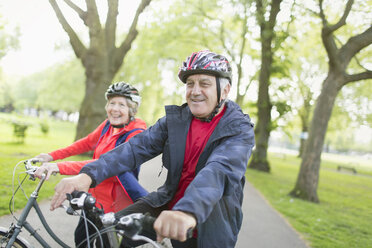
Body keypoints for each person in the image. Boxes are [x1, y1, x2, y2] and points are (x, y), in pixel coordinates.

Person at [49, 50, 255, 248]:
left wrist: (186, 211)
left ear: (225, 91)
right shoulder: (176, 121)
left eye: (204, 84)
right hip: (167, 202)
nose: (194, 91)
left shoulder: (239, 130)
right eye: (190, 84)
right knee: (110, 231)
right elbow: (134, 149)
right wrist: (87, 175)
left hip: (209, 218)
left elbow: (218, 172)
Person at [35, 82, 148, 247]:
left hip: (113, 205)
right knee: (81, 239)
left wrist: (60, 167)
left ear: (131, 109)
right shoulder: (108, 125)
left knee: (104, 244)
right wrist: (52, 156)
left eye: (121, 104)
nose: (115, 108)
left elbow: (105, 163)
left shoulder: (136, 134)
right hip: (92, 199)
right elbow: (85, 143)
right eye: (112, 103)